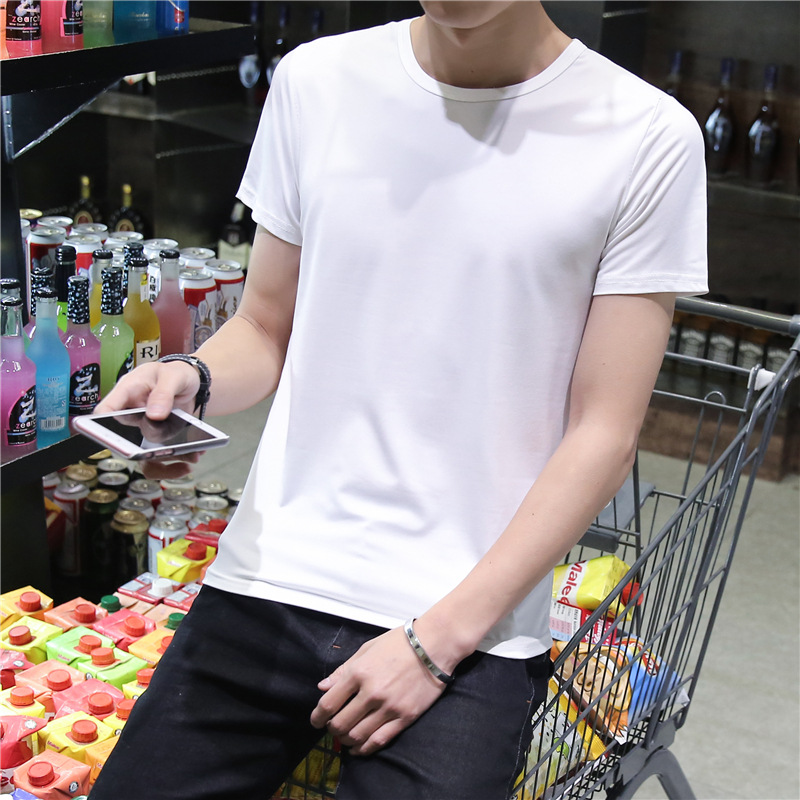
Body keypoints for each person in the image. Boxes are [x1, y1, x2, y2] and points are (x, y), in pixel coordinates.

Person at [89, 2, 707, 798]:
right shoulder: (318, 81)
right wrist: (193, 378)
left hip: (468, 623)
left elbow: (605, 433)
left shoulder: (645, 136)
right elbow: (265, 327)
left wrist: (435, 642)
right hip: (272, 578)